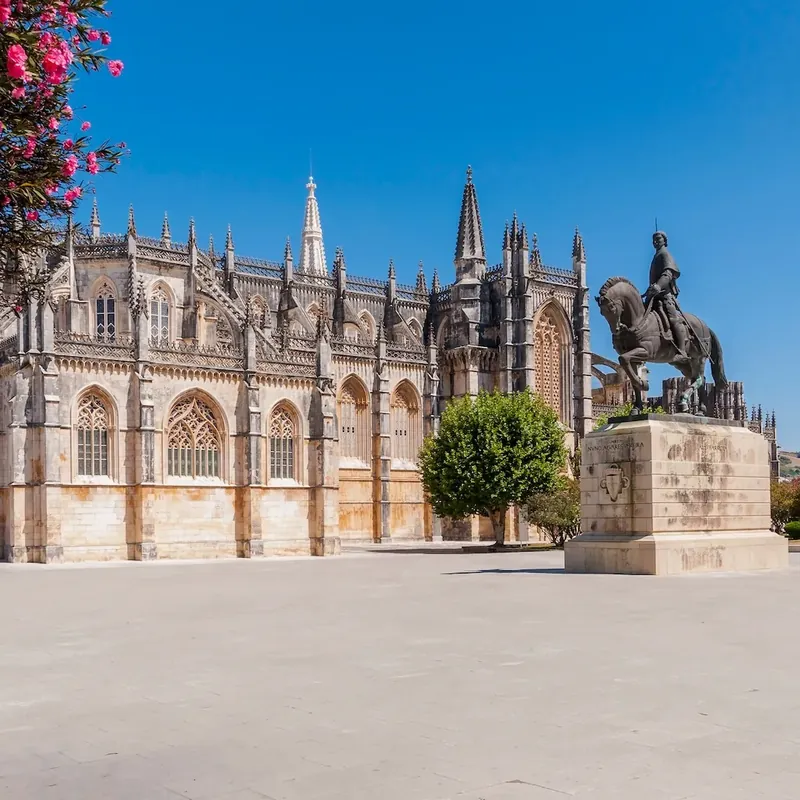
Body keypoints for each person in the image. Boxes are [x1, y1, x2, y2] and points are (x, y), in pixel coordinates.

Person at [643, 231, 689, 365]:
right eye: (654, 240)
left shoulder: (665, 254)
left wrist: (658, 286)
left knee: (673, 318)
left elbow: (668, 273)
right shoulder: (656, 256)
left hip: (665, 295)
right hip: (654, 296)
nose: (655, 242)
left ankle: (682, 351)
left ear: (664, 240)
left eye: (658, 239)